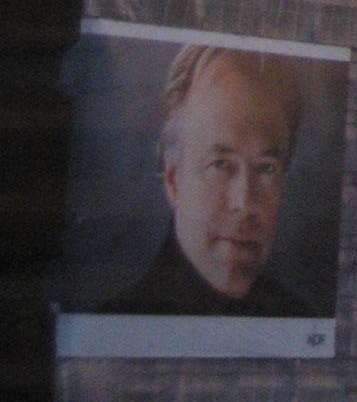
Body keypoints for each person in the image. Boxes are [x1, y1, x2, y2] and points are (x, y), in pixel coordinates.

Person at [102, 45, 315, 315]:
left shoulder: (297, 317)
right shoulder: (121, 319)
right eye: (221, 165)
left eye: (266, 168)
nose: (244, 202)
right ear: (174, 181)